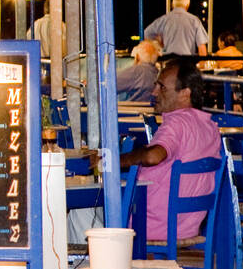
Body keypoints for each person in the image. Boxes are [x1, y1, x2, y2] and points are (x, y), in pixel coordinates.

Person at [90, 58, 221, 244]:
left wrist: (110, 161)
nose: (154, 92)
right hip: (187, 226)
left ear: (185, 94)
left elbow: (153, 156)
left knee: (84, 211)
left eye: (162, 87)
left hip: (150, 225)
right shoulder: (211, 127)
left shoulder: (177, 123)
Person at [144, 0, 209, 57]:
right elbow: (201, 47)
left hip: (168, 61)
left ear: (172, 5)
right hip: (187, 61)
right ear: (187, 5)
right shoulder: (194, 20)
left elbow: (146, 33)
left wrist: (159, 42)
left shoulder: (163, 19)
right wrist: (202, 64)